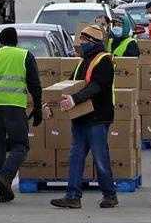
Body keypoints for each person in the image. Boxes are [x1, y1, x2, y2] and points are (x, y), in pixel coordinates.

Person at [48, 25, 117, 209]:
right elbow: (71, 84)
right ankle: (72, 196)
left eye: (84, 40)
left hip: (97, 117)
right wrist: (53, 101)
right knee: (76, 156)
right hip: (81, 117)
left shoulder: (103, 61)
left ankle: (109, 195)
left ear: (93, 42)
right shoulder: (82, 61)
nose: (81, 43)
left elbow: (96, 86)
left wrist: (74, 99)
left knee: (100, 157)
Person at [0, 27, 43, 203]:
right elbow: (35, 84)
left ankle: (1, 191)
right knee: (20, 146)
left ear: (0, 41)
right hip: (15, 107)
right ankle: (5, 177)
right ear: (16, 41)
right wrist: (38, 107)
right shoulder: (24, 55)